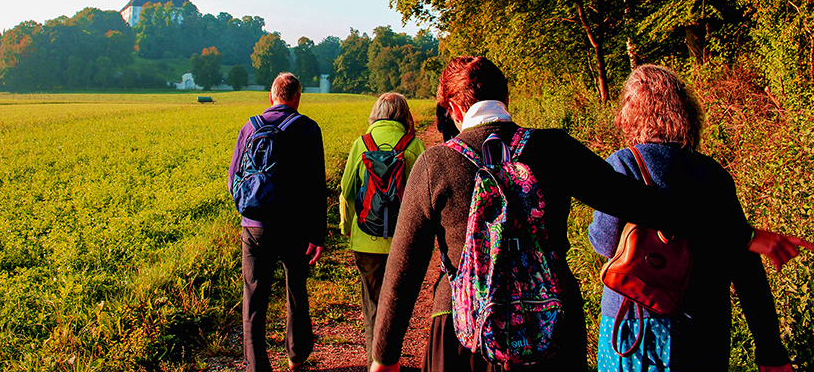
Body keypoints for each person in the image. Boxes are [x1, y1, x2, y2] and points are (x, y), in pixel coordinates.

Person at [369, 56, 812, 372]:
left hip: (463, 329)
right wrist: (743, 236)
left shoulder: (434, 164)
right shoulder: (556, 148)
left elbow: (404, 268)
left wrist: (384, 356)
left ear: (453, 108)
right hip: (552, 327)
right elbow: (644, 204)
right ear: (507, 99)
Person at [589, 65, 795, 371]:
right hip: (704, 324)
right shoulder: (712, 174)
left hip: (636, 323)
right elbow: (745, 264)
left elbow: (605, 243)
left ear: (631, 113)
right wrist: (770, 350)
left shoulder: (623, 165)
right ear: (685, 113)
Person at [228, 72, 326, 372]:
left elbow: (234, 177)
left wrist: (249, 212)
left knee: (254, 297)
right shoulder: (308, 128)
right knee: (296, 288)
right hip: (294, 227)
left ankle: (257, 366)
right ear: (297, 98)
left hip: (255, 225)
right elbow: (316, 187)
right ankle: (296, 354)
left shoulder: (250, 127)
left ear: (271, 97)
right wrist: (317, 234)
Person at [338, 92, 426, 367]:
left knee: (373, 306)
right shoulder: (414, 146)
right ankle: (391, 360)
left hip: (367, 241)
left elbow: (347, 191)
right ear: (404, 115)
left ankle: (374, 364)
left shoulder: (360, 145)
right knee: (399, 308)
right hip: (406, 242)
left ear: (376, 113)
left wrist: (348, 229)